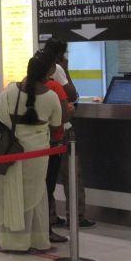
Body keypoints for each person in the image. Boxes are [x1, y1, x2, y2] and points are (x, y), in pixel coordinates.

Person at [0, 52, 62, 252]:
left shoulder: (10, 91)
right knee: (36, 195)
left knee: (10, 193)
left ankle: (10, 241)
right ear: (48, 73)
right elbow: (56, 126)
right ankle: (36, 240)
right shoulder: (51, 97)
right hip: (37, 154)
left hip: (10, 151)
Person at [43, 37, 95, 229]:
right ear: (60, 54)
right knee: (72, 173)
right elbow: (72, 94)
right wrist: (66, 70)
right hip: (62, 129)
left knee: (47, 176)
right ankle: (76, 216)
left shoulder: (39, 67)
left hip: (44, 130)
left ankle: (50, 216)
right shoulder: (56, 68)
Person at [42, 53, 71, 245]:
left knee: (40, 186)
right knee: (48, 185)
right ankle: (47, 229)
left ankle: (40, 227)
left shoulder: (22, 87)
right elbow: (63, 117)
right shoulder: (54, 87)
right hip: (53, 143)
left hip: (35, 145)